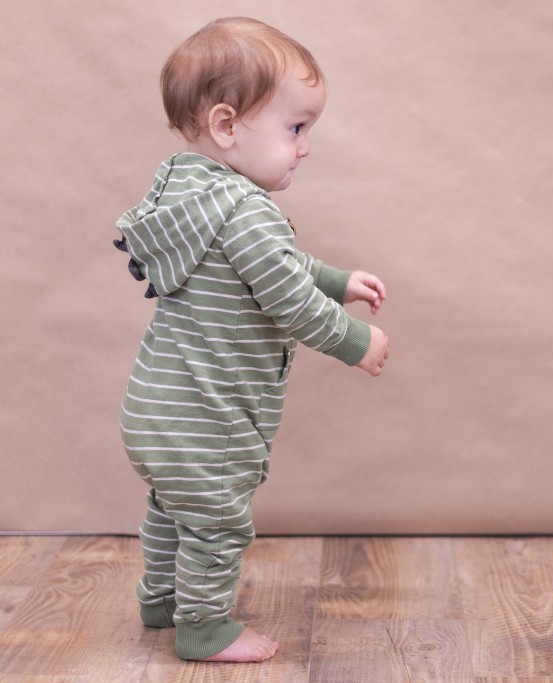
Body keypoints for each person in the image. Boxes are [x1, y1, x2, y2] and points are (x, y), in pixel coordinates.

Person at [113, 17, 389, 662]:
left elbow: (269, 265)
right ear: (227, 126)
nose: (305, 146)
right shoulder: (245, 208)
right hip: (209, 418)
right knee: (217, 522)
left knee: (170, 506)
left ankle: (159, 600)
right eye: (295, 128)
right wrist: (356, 341)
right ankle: (204, 627)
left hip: (154, 409)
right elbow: (288, 299)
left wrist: (338, 278)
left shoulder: (189, 190)